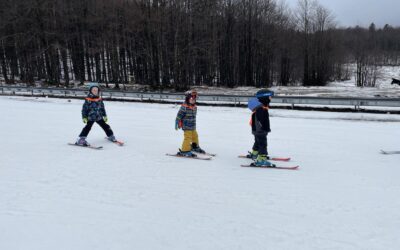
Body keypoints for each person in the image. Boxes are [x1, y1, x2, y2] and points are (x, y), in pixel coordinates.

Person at [247, 89, 274, 166]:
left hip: (257, 130)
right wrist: (263, 129)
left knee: (257, 142)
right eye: (270, 97)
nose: (271, 99)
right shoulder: (261, 109)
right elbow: (261, 120)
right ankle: (261, 159)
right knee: (263, 144)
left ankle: (255, 153)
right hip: (260, 130)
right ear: (264, 98)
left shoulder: (260, 107)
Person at [175, 90, 205, 157]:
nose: (193, 100)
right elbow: (179, 115)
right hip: (186, 126)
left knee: (195, 136)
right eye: (191, 99)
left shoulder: (194, 107)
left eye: (194, 99)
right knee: (187, 137)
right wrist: (177, 121)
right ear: (187, 99)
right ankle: (184, 150)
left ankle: (195, 146)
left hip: (193, 126)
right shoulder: (184, 107)